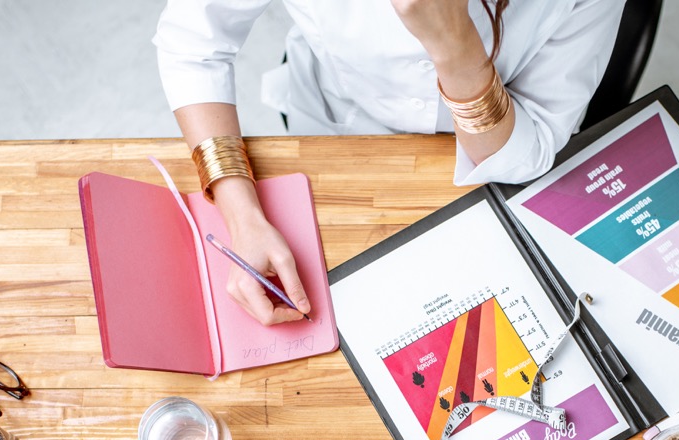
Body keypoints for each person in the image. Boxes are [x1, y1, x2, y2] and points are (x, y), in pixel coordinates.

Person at [155, 0, 625, 325]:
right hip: (334, 123)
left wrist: (456, 46)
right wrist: (243, 215)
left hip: (490, 147)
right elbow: (194, 44)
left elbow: (530, 147)